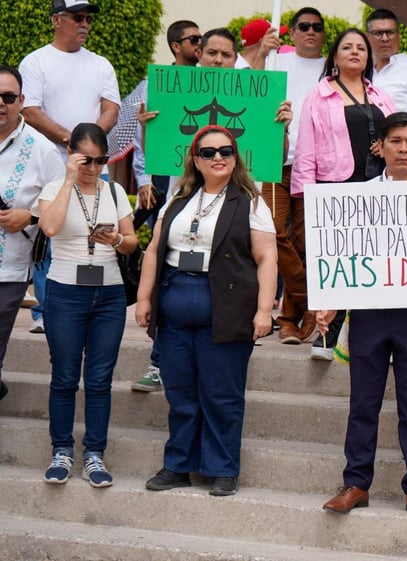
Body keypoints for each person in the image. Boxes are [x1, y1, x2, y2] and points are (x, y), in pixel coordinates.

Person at [136, 125, 278, 497]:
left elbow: (267, 258)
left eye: (226, 152)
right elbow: (153, 251)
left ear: (236, 158)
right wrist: (145, 298)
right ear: (195, 160)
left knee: (222, 392)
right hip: (175, 300)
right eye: (209, 152)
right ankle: (178, 465)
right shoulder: (178, 199)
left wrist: (265, 310)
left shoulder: (251, 201)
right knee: (180, 390)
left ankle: (223, 468)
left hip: (226, 304)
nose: (218, 158)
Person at [320, 112, 407, 520]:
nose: (403, 148)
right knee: (363, 403)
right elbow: (342, 256)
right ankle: (356, 483)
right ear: (382, 147)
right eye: (395, 141)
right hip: (369, 313)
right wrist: (329, 301)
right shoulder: (359, 195)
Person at [37, 122, 137, 488]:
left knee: (99, 379)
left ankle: (94, 454)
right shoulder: (54, 188)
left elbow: (131, 242)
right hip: (65, 291)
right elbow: (48, 228)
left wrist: (115, 240)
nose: (93, 168)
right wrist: (67, 181)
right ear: (71, 157)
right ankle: (61, 450)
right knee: (64, 376)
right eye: (86, 161)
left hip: (108, 294)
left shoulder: (114, 191)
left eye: (100, 160)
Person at [291, 28, 395, 360]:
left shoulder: (381, 95)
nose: (354, 52)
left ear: (368, 57)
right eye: (347, 47)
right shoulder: (319, 95)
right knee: (336, 264)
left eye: (361, 48)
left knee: (374, 262)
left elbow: (400, 134)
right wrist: (305, 194)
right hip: (335, 186)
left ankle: (370, 336)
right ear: (334, 56)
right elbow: (305, 147)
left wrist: (387, 143)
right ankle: (326, 335)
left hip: (378, 184)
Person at [20, 0, 120, 335]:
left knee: (94, 233)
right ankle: (46, 312)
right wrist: (73, 141)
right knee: (46, 238)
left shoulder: (101, 64)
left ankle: (86, 308)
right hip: (46, 165)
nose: (85, 24)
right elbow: (30, 111)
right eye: (78, 18)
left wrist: (86, 148)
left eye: (88, 19)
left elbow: (110, 110)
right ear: (56, 20)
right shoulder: (35, 62)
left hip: (93, 167)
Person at [131, 19, 204, 392]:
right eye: (194, 39)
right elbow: (145, 143)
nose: (201, 44)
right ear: (176, 46)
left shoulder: (216, 82)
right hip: (173, 197)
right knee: (167, 278)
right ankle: (159, 362)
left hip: (213, 204)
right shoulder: (153, 85)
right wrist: (144, 181)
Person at [0, 65, 64, 402]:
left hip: (8, 270)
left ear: (22, 100)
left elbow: (63, 202)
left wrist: (31, 215)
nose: (1, 103)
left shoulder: (42, 150)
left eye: (8, 97)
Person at [264, 7, 326, 346]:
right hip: (276, 161)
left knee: (304, 243)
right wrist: (261, 51)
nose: (311, 32)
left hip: (313, 163)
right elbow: (249, 90)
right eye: (304, 26)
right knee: (273, 231)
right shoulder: (276, 60)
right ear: (292, 32)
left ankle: (289, 320)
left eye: (317, 27)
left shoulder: (331, 66)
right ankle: (312, 303)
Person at [365, 9, 407, 133]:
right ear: (367, 36)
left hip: (403, 148)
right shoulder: (361, 70)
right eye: (378, 33)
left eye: (390, 32)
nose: (385, 38)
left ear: (398, 35)